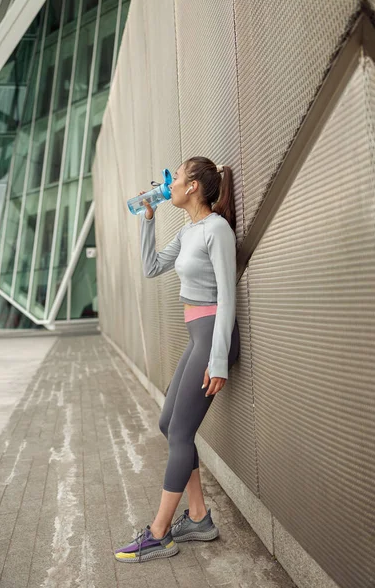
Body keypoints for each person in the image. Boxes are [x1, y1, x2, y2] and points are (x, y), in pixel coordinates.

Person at [114, 156, 240, 563]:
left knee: (181, 434)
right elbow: (152, 268)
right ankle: (199, 517)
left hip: (212, 338)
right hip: (195, 334)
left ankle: (158, 533)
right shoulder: (189, 233)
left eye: (178, 177)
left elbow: (227, 297)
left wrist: (218, 358)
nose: (170, 183)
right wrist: (147, 218)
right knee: (169, 424)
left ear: (193, 188)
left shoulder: (216, 230)